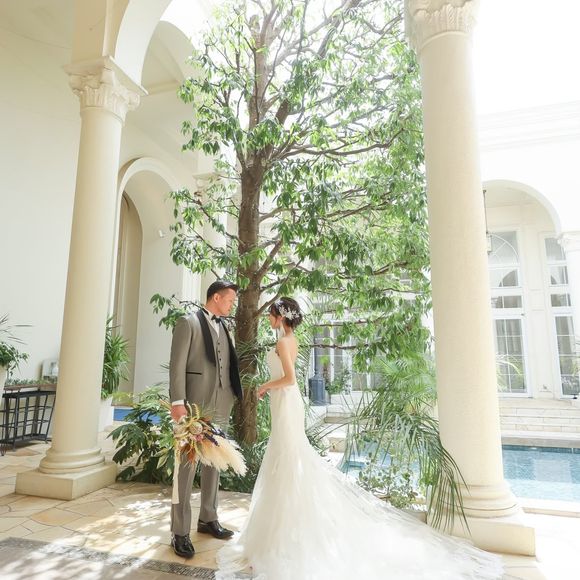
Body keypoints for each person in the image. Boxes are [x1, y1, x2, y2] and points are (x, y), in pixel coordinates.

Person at [216, 297, 504, 580]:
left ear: (281, 317)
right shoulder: (291, 340)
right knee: (285, 459)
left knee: (288, 459)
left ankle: (282, 538)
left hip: (286, 400)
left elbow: (289, 378)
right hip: (286, 403)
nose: (269, 318)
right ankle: (281, 533)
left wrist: (265, 386)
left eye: (271, 314)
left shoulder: (283, 342)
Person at [169, 280, 242, 559]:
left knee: (215, 460)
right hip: (193, 404)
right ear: (216, 297)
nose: (232, 304)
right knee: (186, 466)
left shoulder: (225, 327)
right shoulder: (188, 323)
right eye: (230, 300)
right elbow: (177, 365)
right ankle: (179, 531)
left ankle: (208, 517)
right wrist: (178, 402)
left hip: (222, 402)